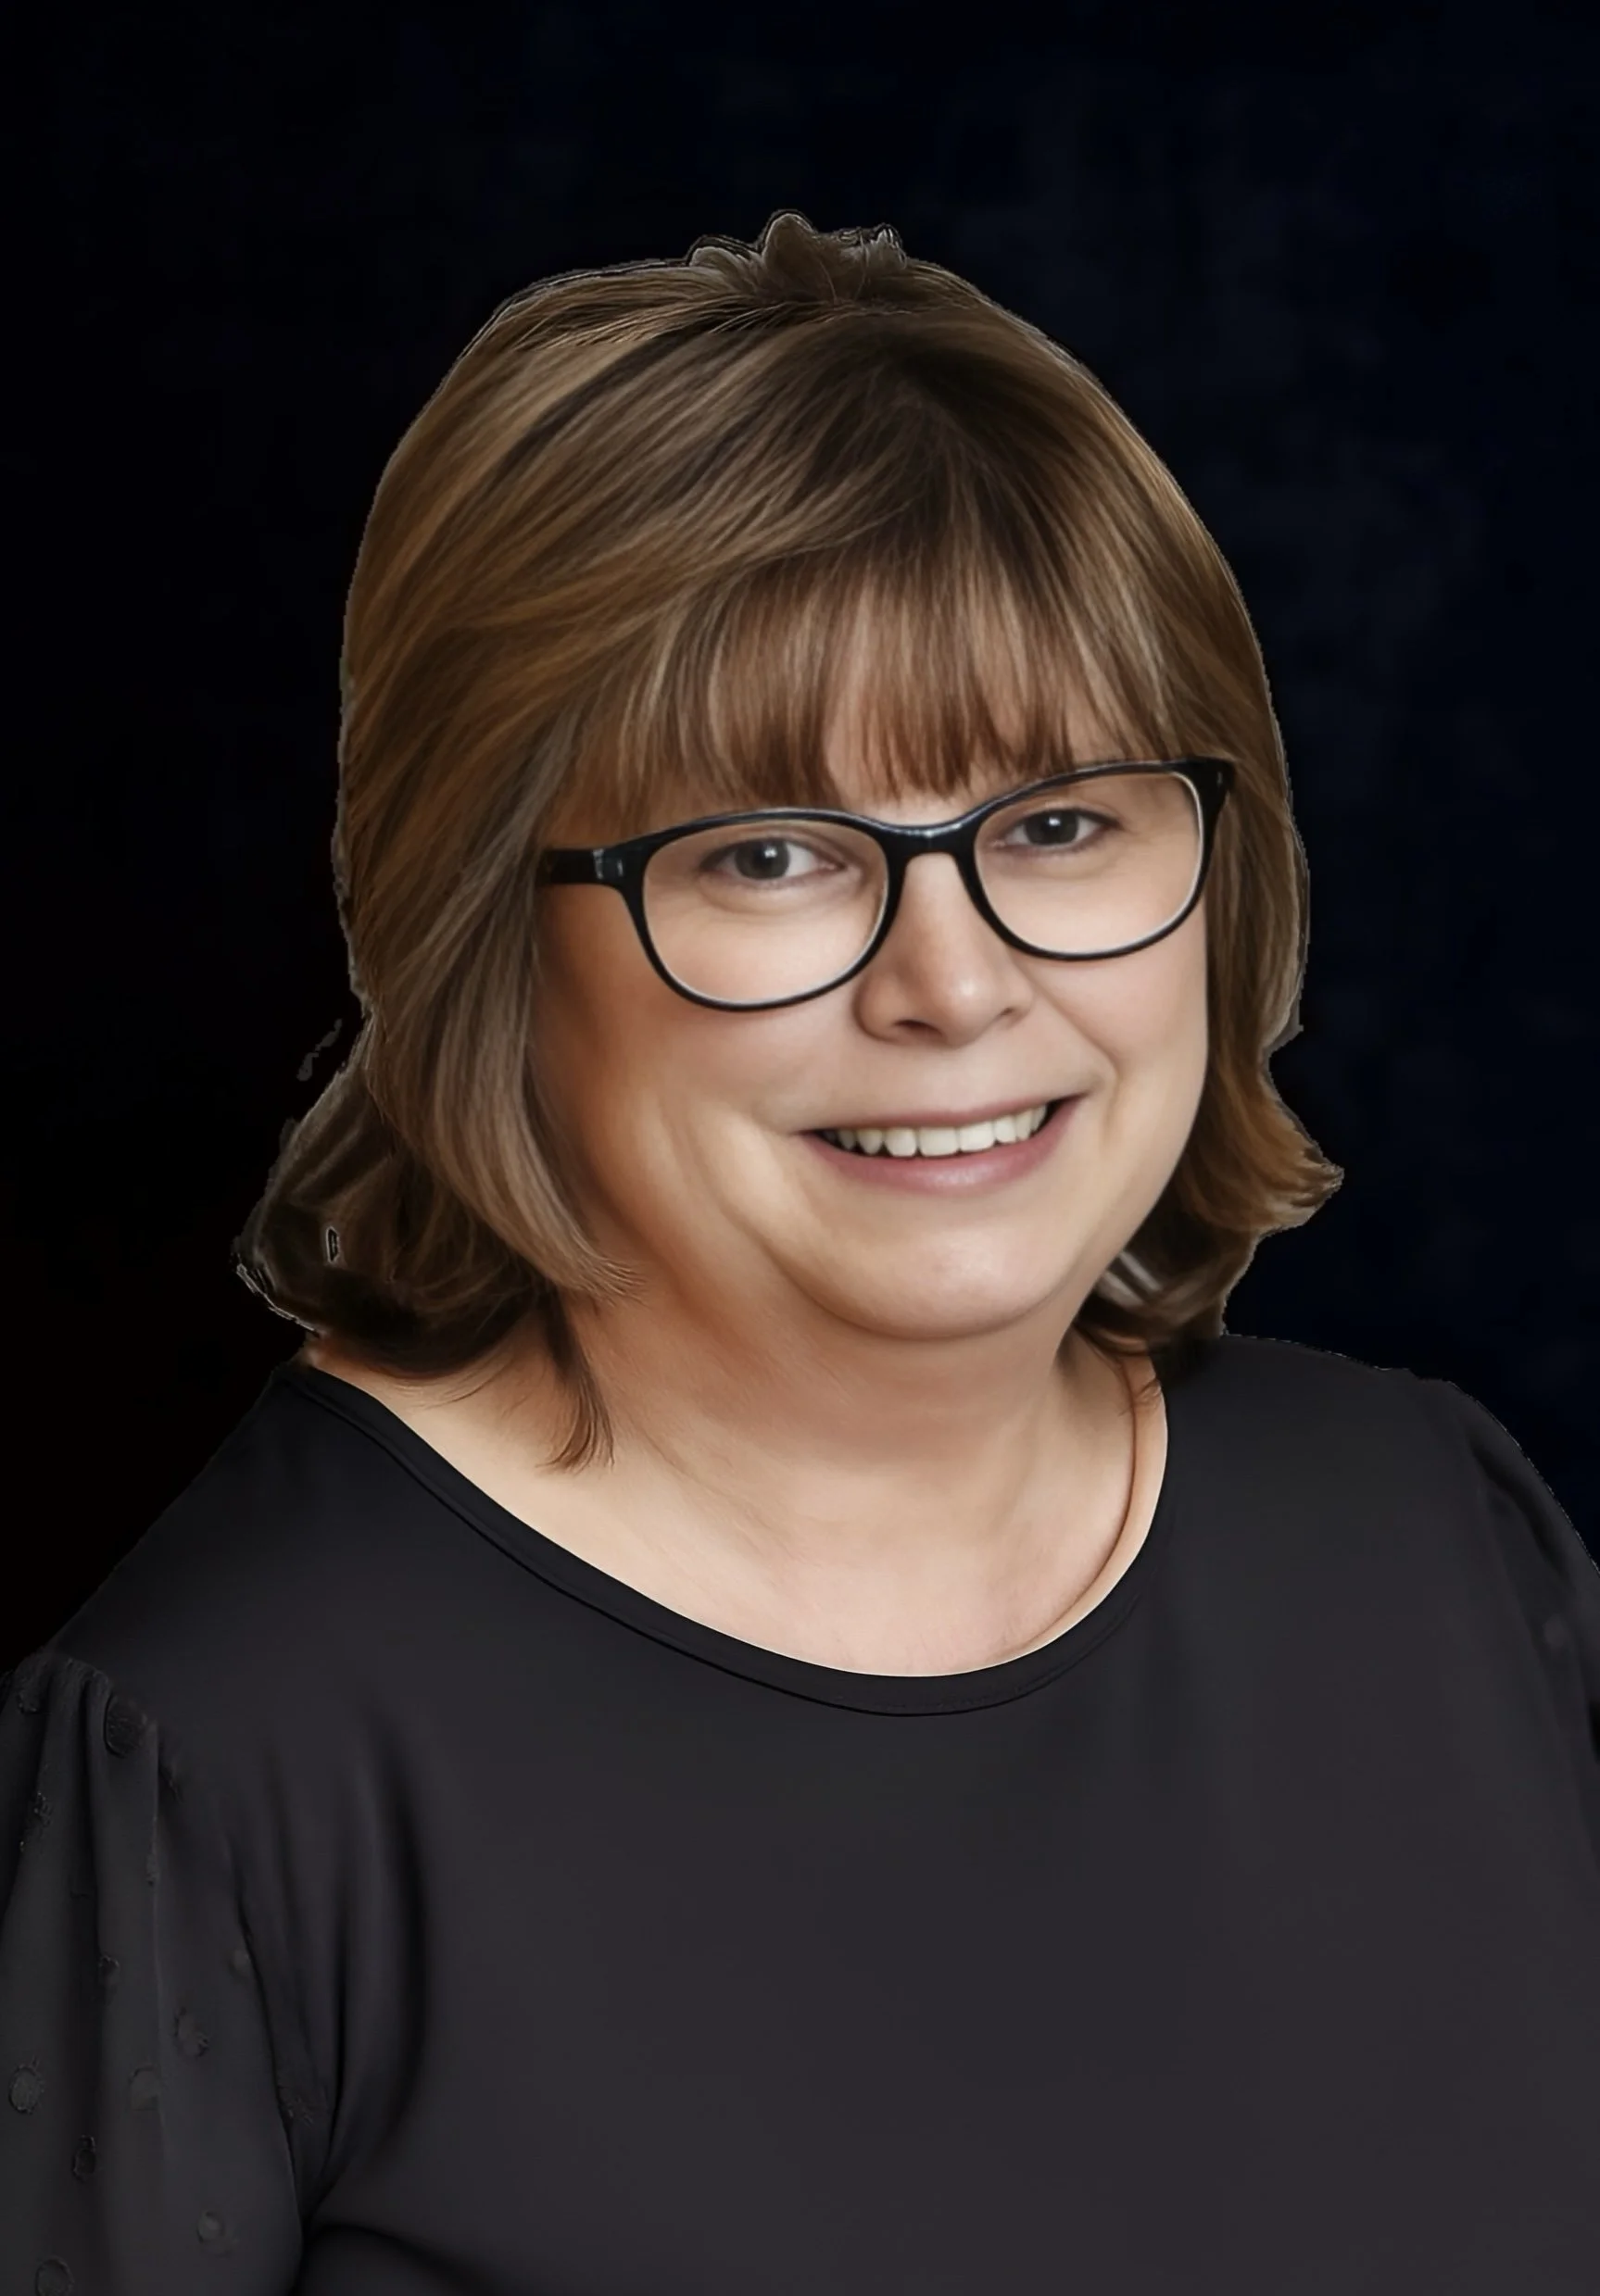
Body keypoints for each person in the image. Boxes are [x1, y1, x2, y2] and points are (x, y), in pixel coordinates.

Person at [3, 210, 1597, 2295]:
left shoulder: (1439, 1544)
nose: (954, 984)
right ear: (482, 933)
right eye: (765, 855)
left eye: (1054, 826)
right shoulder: (217, 1764)